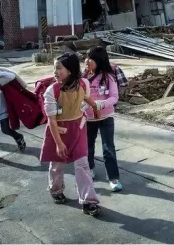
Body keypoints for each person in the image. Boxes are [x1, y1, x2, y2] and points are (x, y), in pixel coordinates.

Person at [40, 53, 101, 216]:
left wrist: (96, 109)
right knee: (57, 166)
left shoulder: (84, 83)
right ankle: (56, 190)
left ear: (71, 69)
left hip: (79, 129)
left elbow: (87, 98)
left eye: (59, 68)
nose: (55, 71)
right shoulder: (51, 91)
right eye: (54, 68)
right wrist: (59, 144)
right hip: (58, 132)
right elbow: (51, 120)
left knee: (82, 165)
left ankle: (88, 201)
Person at [83, 46, 122, 192]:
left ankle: (113, 177)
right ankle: (90, 168)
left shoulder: (108, 77)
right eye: (86, 57)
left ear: (99, 61)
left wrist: (101, 104)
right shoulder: (83, 77)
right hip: (88, 118)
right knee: (88, 146)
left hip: (106, 117)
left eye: (90, 58)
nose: (87, 61)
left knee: (108, 148)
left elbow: (114, 97)